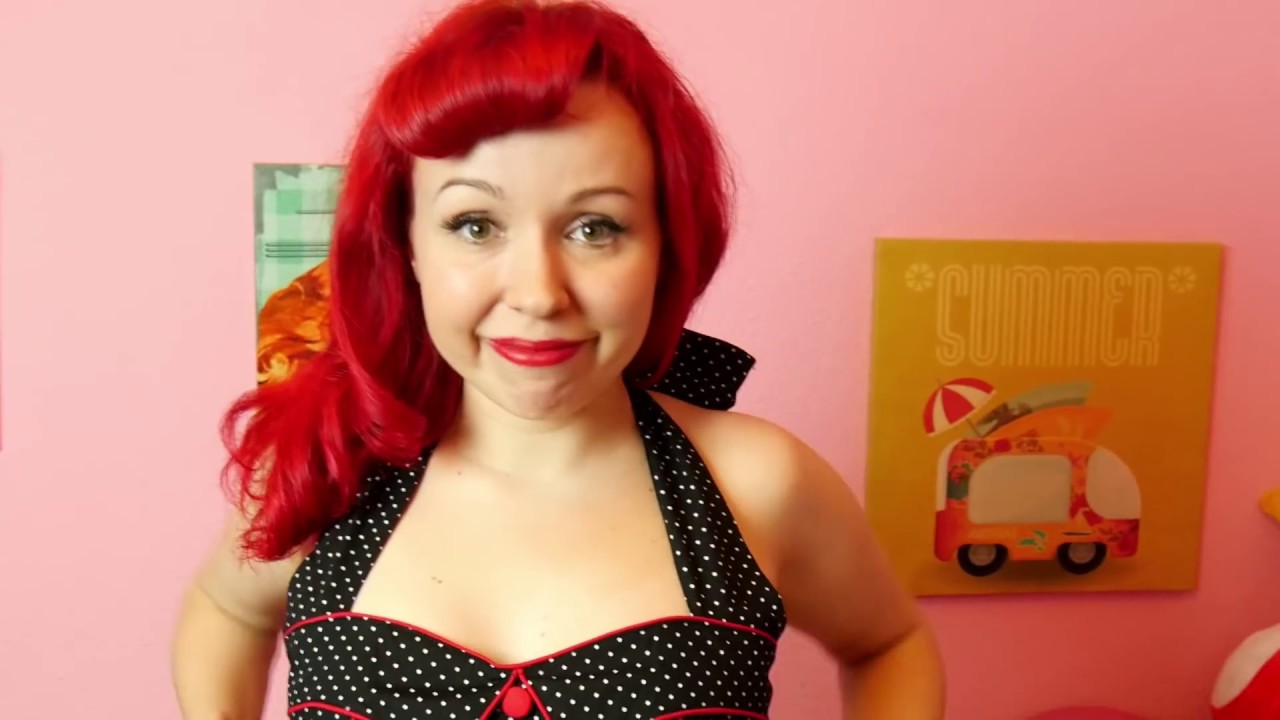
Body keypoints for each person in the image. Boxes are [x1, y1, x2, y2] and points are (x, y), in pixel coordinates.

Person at [169, 0, 946, 718]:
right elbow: (224, 608)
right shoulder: (323, 467)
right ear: (405, 243)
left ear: (665, 245)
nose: (539, 294)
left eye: (594, 228)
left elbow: (888, 644)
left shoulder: (760, 484)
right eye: (475, 225)